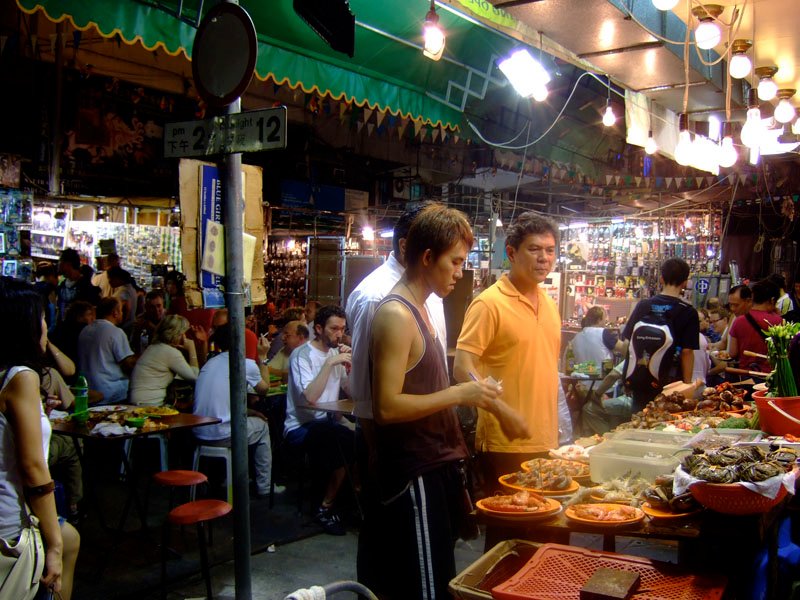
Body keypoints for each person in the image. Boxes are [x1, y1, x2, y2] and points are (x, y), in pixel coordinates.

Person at [359, 204, 528, 600]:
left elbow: (435, 384)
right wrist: (460, 394)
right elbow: (385, 408)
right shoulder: (396, 314)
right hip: (412, 472)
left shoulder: (423, 308)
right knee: (426, 587)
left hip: (434, 467)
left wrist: (494, 404)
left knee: (439, 574)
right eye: (454, 262)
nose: (459, 272)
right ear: (427, 257)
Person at [454, 211, 562, 484]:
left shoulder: (549, 305)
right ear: (511, 253)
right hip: (504, 442)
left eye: (550, 250)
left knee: (544, 524)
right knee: (507, 522)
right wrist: (502, 412)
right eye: (534, 249)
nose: (544, 258)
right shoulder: (489, 303)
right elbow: (461, 369)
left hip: (545, 439)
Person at [0, 276, 79, 600]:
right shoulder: (21, 376)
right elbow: (33, 468)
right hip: (11, 523)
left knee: (71, 537)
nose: (47, 324)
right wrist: (54, 548)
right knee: (64, 546)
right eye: (43, 317)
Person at [346, 203, 447, 425]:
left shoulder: (432, 288)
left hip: (427, 430)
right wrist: (375, 452)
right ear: (405, 246)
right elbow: (365, 391)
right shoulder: (375, 295)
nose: (457, 270)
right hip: (393, 439)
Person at [284, 305, 355, 535]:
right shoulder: (301, 356)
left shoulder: (336, 354)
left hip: (328, 423)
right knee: (340, 440)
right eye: (334, 328)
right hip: (300, 426)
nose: (339, 334)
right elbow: (310, 398)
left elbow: (351, 392)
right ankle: (324, 507)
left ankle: (345, 503)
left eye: (342, 329)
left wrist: (352, 368)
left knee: (359, 438)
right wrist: (328, 364)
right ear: (318, 328)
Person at [192, 323, 273, 500]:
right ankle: (264, 487)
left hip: (199, 431)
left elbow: (225, 402)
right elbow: (264, 389)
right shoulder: (245, 364)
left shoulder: (210, 362)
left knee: (256, 419)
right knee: (263, 427)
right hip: (222, 434)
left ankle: (229, 479)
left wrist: (249, 411)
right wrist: (263, 358)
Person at [620, 257, 699, 412]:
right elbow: (687, 352)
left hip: (640, 380)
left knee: (639, 421)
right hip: (670, 384)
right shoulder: (688, 312)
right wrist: (687, 385)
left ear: (661, 279)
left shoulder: (644, 305)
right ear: (685, 282)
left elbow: (626, 344)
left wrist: (628, 376)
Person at [129, 315, 200, 406]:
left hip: (138, 400)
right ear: (178, 334)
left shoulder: (153, 347)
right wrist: (192, 349)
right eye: (184, 333)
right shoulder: (170, 352)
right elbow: (195, 378)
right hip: (148, 403)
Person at [77, 297, 137, 404]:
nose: (122, 314)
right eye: (121, 311)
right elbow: (127, 363)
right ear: (115, 313)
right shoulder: (115, 332)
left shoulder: (85, 330)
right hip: (111, 392)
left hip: (88, 390)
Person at [728, 280, 782, 373]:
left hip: (745, 374)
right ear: (772, 300)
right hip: (770, 375)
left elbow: (732, 352)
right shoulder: (778, 321)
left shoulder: (739, 321)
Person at [56, 248, 100, 322]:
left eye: (60, 261)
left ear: (68, 264)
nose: (58, 264)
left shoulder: (87, 289)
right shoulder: (62, 286)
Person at [48, 301, 95, 369]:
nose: (92, 318)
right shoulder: (84, 331)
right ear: (79, 316)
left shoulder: (61, 326)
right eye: (89, 314)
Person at [130, 290, 166, 354]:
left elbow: (168, 341)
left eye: (159, 306)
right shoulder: (140, 319)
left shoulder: (169, 319)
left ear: (163, 305)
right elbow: (134, 344)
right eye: (152, 307)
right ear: (146, 307)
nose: (156, 310)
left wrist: (150, 326)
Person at [108, 266, 137, 334]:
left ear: (117, 278)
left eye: (111, 278)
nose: (109, 281)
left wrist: (120, 324)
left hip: (124, 328)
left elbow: (127, 307)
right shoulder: (131, 289)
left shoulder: (123, 292)